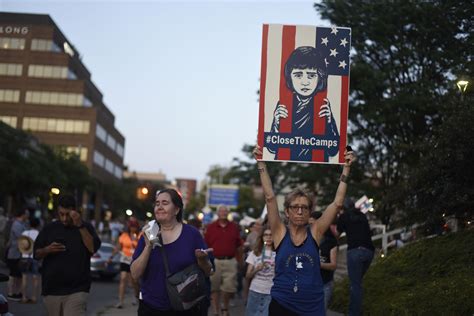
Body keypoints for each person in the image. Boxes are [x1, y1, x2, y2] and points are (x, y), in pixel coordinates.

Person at [253, 144, 355, 315]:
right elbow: (270, 197)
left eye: (304, 208)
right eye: (295, 207)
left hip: (312, 307)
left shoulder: (315, 232)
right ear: (286, 211)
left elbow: (337, 203)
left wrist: (346, 168)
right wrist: (261, 163)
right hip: (282, 305)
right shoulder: (279, 232)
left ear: (309, 212)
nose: (299, 211)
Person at [130, 189, 213, 316]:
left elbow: (209, 272)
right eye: (157, 204)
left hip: (185, 308)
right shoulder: (148, 234)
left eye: (165, 203)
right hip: (150, 307)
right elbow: (135, 274)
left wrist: (202, 260)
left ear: (176, 210)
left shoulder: (192, 235)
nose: (160, 207)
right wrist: (148, 246)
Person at [267, 46, 340, 162]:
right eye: (298, 75)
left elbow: (333, 150)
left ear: (320, 77)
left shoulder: (323, 105)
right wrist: (276, 124)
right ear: (290, 76)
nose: (305, 82)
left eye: (311, 76)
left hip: (317, 167)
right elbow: (271, 147)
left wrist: (329, 122)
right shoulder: (283, 104)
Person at [33, 194, 101, 316]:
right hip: (52, 289)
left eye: (67, 214)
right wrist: (47, 250)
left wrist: (80, 225)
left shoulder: (86, 227)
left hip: (77, 289)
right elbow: (36, 254)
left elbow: (92, 248)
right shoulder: (50, 228)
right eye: (61, 214)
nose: (64, 219)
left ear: (75, 211)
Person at [336, 199, 375, 316]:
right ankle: (357, 310)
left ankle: (354, 313)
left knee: (355, 285)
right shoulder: (362, 215)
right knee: (357, 283)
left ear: (344, 208)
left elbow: (336, 234)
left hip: (355, 252)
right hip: (369, 251)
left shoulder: (344, 216)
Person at [204, 205, 244, 316]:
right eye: (221, 211)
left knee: (229, 288)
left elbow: (239, 245)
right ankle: (216, 311)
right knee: (214, 288)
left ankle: (224, 306)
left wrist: (240, 261)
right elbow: (205, 245)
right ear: (217, 213)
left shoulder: (234, 227)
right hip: (214, 261)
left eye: (225, 211)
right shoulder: (211, 227)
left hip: (230, 261)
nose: (223, 213)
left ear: (228, 213)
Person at [108, 219, 140, 308]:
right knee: (123, 278)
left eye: (135, 227)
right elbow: (118, 247)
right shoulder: (124, 235)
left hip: (134, 261)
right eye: (132, 227)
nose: (133, 229)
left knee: (134, 281)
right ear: (129, 227)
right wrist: (111, 257)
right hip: (124, 259)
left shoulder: (140, 236)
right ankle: (120, 301)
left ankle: (136, 296)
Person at [245, 226, 276, 316]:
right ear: (262, 237)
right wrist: (256, 269)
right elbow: (247, 276)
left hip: (270, 292)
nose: (268, 237)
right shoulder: (255, 253)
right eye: (265, 235)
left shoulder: (278, 253)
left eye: (271, 235)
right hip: (255, 290)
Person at [6, 208, 29, 301]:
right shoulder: (17, 224)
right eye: (26, 214)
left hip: (18, 253)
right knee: (13, 274)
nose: (27, 216)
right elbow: (22, 238)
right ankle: (11, 293)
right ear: (22, 214)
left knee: (18, 274)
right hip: (14, 253)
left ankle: (16, 293)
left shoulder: (21, 224)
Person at [20, 217, 41, 304]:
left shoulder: (25, 233)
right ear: (38, 225)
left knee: (24, 277)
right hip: (35, 257)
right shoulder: (39, 234)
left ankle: (24, 297)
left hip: (25, 256)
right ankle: (34, 297)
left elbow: (21, 245)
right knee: (35, 278)